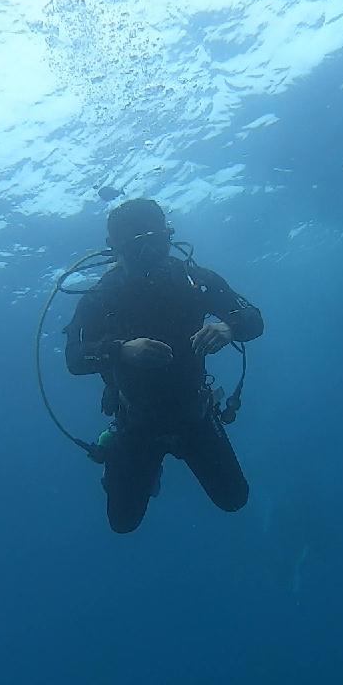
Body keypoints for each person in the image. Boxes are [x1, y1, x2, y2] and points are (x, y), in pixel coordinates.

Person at [64, 199, 265, 533]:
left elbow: (253, 319)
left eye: (156, 245)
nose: (149, 258)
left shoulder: (194, 280)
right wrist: (120, 351)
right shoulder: (101, 297)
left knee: (235, 499)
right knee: (122, 523)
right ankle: (126, 458)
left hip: (195, 414)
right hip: (136, 423)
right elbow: (73, 359)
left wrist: (229, 327)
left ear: (168, 239)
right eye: (137, 249)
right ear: (116, 251)